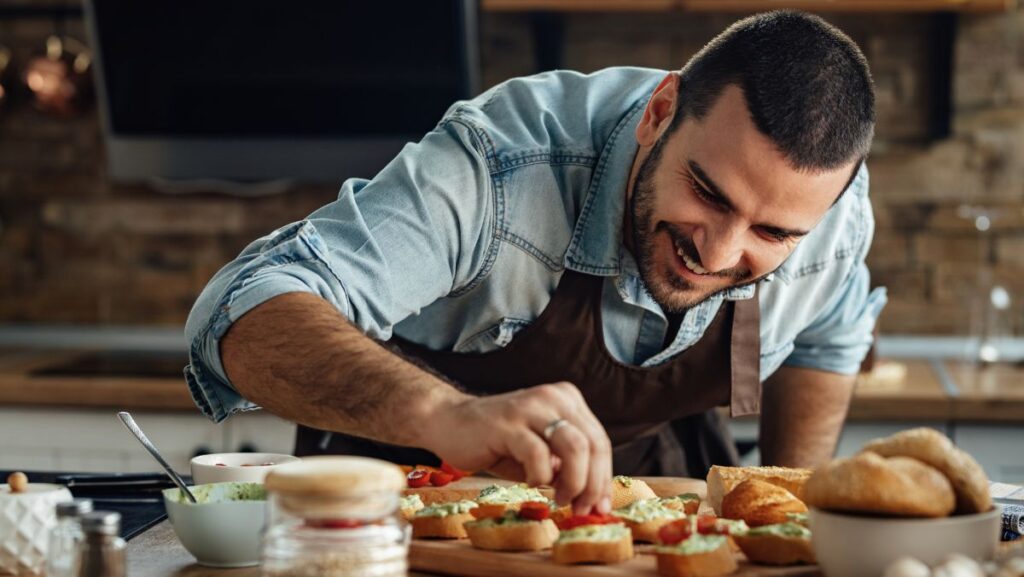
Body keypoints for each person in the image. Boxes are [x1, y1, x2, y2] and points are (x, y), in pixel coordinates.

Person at [184, 11, 886, 516]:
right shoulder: (500, 168)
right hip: (403, 507)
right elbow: (240, 309)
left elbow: (830, 333)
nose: (720, 252)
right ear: (660, 110)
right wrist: (447, 413)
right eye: (706, 192)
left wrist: (793, 511)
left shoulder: (835, 217)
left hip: (654, 508)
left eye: (771, 231)